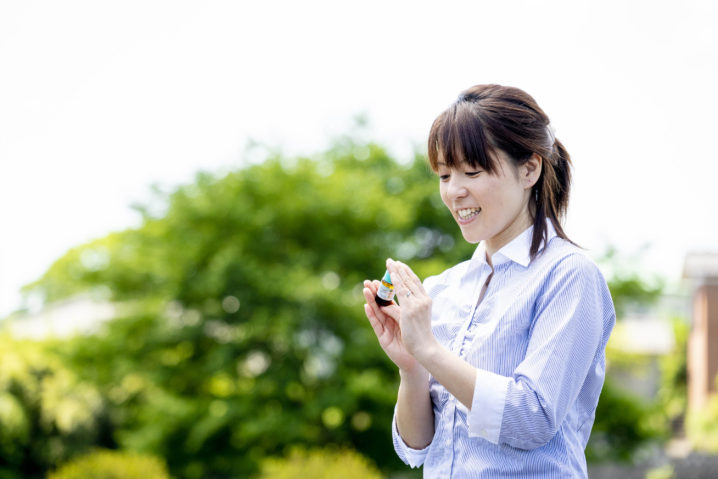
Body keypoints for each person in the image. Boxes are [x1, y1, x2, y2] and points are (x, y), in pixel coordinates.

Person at [362, 84, 615, 478]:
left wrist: (429, 350)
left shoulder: (568, 275)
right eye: (444, 175)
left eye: (472, 171)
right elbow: (418, 448)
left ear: (529, 169)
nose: (454, 191)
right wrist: (412, 366)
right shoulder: (444, 288)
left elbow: (531, 418)